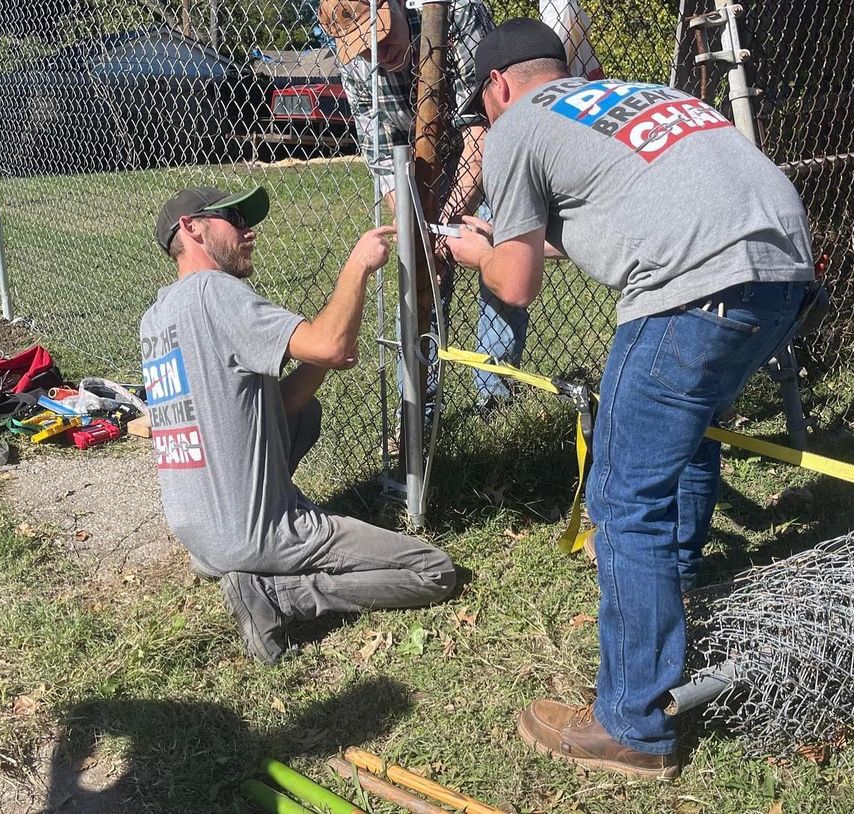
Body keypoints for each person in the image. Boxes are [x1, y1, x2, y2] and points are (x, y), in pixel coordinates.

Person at [447, 19, 815, 780]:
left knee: (621, 498)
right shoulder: (636, 96)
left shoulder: (518, 125)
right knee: (687, 435)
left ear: (496, 89)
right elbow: (613, 210)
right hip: (783, 273)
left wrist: (476, 250)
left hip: (693, 288)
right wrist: (514, 234)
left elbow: (513, 288)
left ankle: (632, 723)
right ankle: (670, 587)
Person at [140, 185, 457, 665]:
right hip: (252, 534)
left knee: (305, 413)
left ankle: (241, 562)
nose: (249, 231)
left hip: (198, 537)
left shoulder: (156, 316)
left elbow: (285, 397)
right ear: (192, 228)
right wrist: (358, 268)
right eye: (233, 218)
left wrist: (329, 358)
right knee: (434, 571)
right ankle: (277, 596)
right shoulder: (214, 291)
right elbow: (328, 343)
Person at [318, 0, 529, 414]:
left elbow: (483, 130)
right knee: (416, 275)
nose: (377, 53)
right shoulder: (358, 67)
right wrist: (417, 232)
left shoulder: (460, 11)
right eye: (361, 47)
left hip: (488, 146)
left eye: (380, 35)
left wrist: (445, 224)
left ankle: (495, 400)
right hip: (416, 164)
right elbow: (382, 160)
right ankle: (416, 409)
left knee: (498, 254)